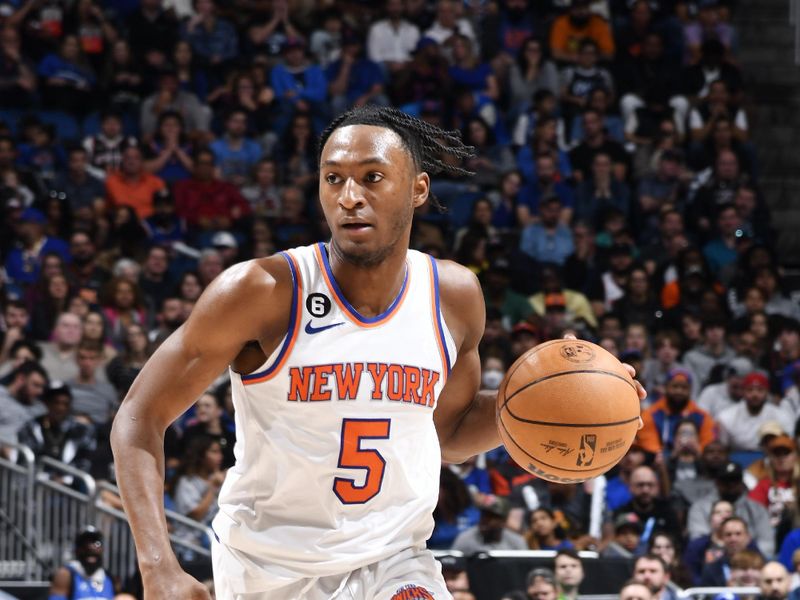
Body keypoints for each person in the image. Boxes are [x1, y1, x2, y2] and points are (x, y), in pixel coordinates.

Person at [110, 106, 649, 598]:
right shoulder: (261, 291)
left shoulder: (454, 296)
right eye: (333, 178)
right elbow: (139, 417)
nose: (349, 196)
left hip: (396, 561)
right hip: (270, 571)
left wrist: (583, 399)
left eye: (371, 177)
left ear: (417, 188)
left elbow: (451, 433)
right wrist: (159, 568)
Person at [49, 527, 116, 599]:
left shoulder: (108, 577)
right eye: (85, 544)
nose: (91, 547)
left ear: (102, 549)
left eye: (96, 543)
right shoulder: (66, 574)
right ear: (76, 549)